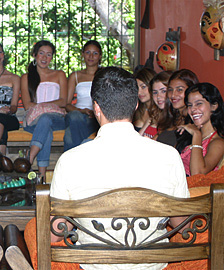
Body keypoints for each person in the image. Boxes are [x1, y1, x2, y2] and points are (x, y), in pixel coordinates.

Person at [50, 66, 189, 270]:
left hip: (94, 265)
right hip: (153, 265)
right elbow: (181, 224)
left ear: (96, 108)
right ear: (134, 105)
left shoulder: (70, 160)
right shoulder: (169, 156)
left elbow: (56, 233)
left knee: (33, 231)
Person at [21, 40, 67, 177]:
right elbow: (27, 104)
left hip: (58, 119)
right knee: (45, 127)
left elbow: (64, 101)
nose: (44, 58)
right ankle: (41, 176)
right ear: (35, 55)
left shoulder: (60, 75)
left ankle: (29, 157)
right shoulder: (26, 77)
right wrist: (48, 106)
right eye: (41, 53)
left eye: (49, 54)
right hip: (34, 119)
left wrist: (42, 106)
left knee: (46, 119)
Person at [178, 83, 224, 176]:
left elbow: (197, 173)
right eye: (190, 105)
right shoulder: (188, 133)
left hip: (194, 189)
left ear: (214, 106)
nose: (193, 109)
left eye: (198, 104)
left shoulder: (218, 142)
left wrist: (196, 135)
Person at [64, 40, 101, 151]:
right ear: (83, 54)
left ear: (100, 56)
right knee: (75, 116)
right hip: (77, 114)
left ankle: (73, 162)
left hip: (96, 117)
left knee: (69, 135)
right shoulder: (75, 76)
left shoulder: (103, 74)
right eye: (87, 52)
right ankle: (85, 151)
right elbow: (67, 105)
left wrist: (94, 113)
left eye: (95, 53)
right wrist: (82, 111)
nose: (91, 56)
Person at [139, 71, 176, 144]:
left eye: (163, 91)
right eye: (155, 92)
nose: (159, 97)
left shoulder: (177, 120)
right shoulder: (153, 115)